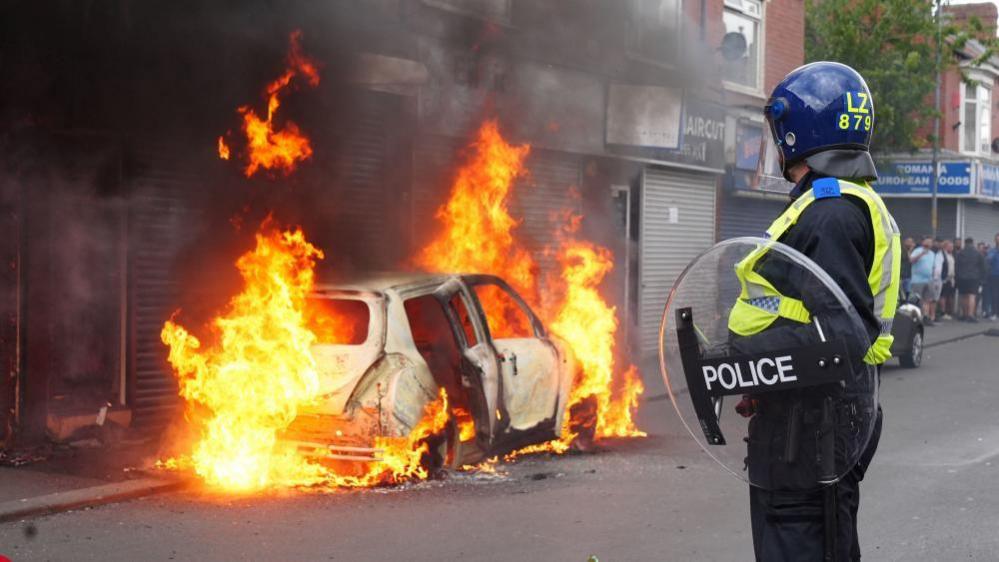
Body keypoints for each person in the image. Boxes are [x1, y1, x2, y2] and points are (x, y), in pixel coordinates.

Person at [732, 62, 900, 562]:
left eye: (778, 134)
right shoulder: (845, 204)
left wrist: (741, 361)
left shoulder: (828, 214)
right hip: (810, 421)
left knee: (802, 543)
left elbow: (840, 339)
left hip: (807, 432)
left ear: (798, 131)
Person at [910, 236, 940, 325]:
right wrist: (921, 254)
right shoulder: (917, 250)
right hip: (917, 280)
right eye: (927, 242)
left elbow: (934, 267)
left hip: (929, 280)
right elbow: (911, 260)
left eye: (930, 242)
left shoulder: (932, 254)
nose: (928, 244)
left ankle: (926, 317)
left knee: (928, 300)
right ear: (923, 243)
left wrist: (935, 280)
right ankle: (916, 318)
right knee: (917, 299)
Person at [955, 237, 985, 322]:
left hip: (962, 278)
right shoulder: (978, 253)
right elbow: (983, 266)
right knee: (972, 296)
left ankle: (964, 314)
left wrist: (957, 277)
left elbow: (956, 266)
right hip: (974, 278)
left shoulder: (960, 253)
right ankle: (970, 315)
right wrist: (982, 278)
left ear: (965, 243)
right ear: (972, 243)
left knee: (964, 296)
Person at [938, 239, 955, 320]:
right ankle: (943, 312)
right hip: (944, 279)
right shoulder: (941, 255)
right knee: (943, 296)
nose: (952, 248)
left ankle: (947, 311)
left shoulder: (950, 255)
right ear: (945, 247)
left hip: (950, 279)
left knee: (947, 296)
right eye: (950, 247)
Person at [987, 234, 999, 322]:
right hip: (994, 275)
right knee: (995, 295)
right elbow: (988, 260)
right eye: (997, 240)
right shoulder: (992, 251)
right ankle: (995, 313)